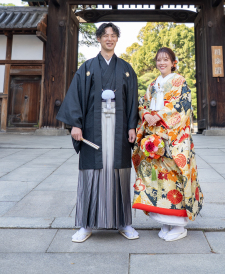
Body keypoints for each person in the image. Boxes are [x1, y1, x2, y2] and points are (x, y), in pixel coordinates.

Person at [55, 22, 139, 243]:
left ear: (117, 39)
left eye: (113, 35)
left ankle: (124, 223)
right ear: (99, 39)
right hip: (93, 129)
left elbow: (132, 100)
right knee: (91, 174)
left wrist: (132, 125)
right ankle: (86, 225)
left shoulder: (126, 69)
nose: (109, 39)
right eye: (105, 35)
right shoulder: (87, 67)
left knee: (120, 173)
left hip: (119, 129)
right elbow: (75, 96)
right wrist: (75, 124)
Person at [132, 47, 203, 242]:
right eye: (159, 60)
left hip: (173, 138)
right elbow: (143, 104)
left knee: (174, 178)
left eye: (166, 59)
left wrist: (159, 116)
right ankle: (164, 221)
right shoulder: (153, 84)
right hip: (155, 138)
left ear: (173, 63)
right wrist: (146, 114)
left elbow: (182, 107)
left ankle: (179, 226)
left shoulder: (180, 81)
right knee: (157, 179)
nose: (161, 63)